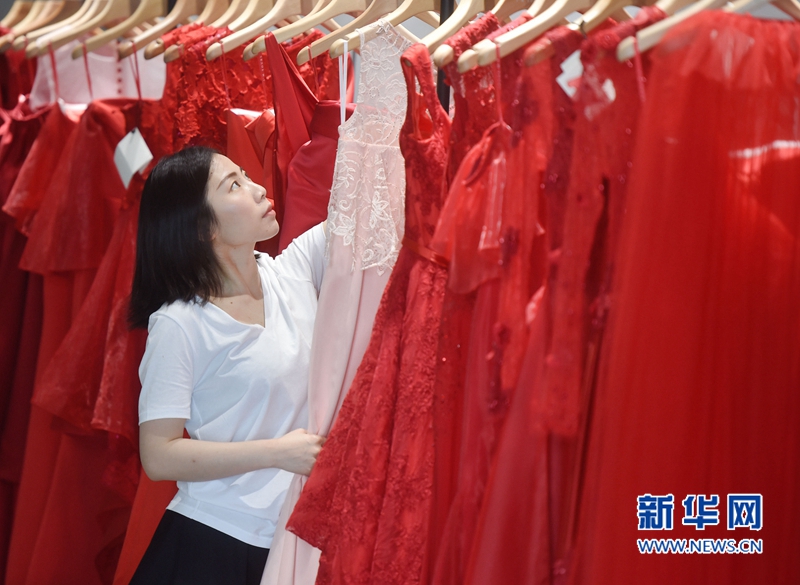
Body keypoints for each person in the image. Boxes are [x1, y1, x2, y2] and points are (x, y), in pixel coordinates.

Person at [128, 146, 327, 584]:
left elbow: (366, 205)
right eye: (234, 185)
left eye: (246, 175)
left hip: (294, 538)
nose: (258, 189)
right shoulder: (180, 323)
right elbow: (158, 455)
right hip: (214, 541)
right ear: (204, 228)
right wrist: (277, 453)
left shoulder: (293, 270)